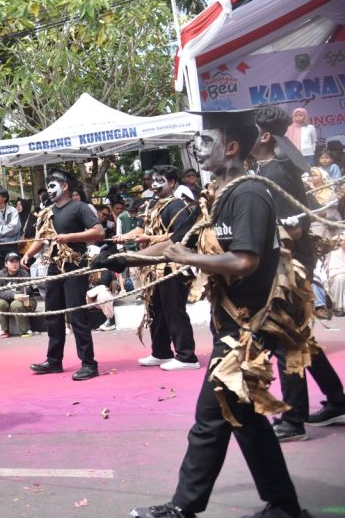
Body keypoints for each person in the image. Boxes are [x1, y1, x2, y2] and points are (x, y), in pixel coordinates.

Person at [125, 109, 313, 518]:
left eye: (206, 141)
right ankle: (284, 505)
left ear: (230, 148)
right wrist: (123, 258)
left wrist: (188, 256)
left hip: (248, 328)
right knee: (243, 418)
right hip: (230, 325)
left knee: (210, 419)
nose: (198, 148)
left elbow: (244, 261)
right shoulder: (219, 193)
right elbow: (178, 241)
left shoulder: (247, 195)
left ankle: (183, 507)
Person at [251, 105, 345, 441]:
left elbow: (294, 232)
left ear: (263, 135)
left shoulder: (275, 173)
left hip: (286, 270)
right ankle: (338, 399)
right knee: (300, 338)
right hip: (286, 267)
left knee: (285, 340)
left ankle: (292, 421)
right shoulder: (270, 168)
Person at [111, 165, 200, 370]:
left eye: (160, 181)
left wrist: (148, 238)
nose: (155, 185)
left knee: (173, 309)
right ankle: (161, 352)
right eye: (153, 180)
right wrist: (126, 236)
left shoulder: (178, 205)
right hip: (152, 266)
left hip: (171, 266)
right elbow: (142, 227)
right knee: (155, 309)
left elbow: (180, 237)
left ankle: (187, 356)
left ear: (172, 183)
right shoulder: (152, 205)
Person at [21, 169, 104, 381]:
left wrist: (70, 237)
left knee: (76, 315)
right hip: (54, 266)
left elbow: (98, 232)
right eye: (47, 186)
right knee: (52, 314)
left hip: (75, 265)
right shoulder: (48, 212)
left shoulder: (79, 207)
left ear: (65, 185)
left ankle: (88, 363)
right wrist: (28, 254)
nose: (48, 190)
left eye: (52, 185)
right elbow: (42, 237)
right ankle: (54, 360)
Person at [0, 252, 35, 337]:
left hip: (27, 301)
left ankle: (24, 330)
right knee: (0, 303)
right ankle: (4, 330)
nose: (14, 264)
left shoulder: (24, 273)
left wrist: (8, 294)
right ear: (6, 264)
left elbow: (25, 292)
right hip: (10, 301)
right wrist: (13, 295)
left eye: (16, 261)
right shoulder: (0, 274)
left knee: (15, 304)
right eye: (11, 262)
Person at [0, 187, 21, 270]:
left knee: (14, 267)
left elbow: (13, 228)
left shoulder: (13, 211)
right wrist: (5, 229)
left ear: (4, 198)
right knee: (1, 269)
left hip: (12, 245)